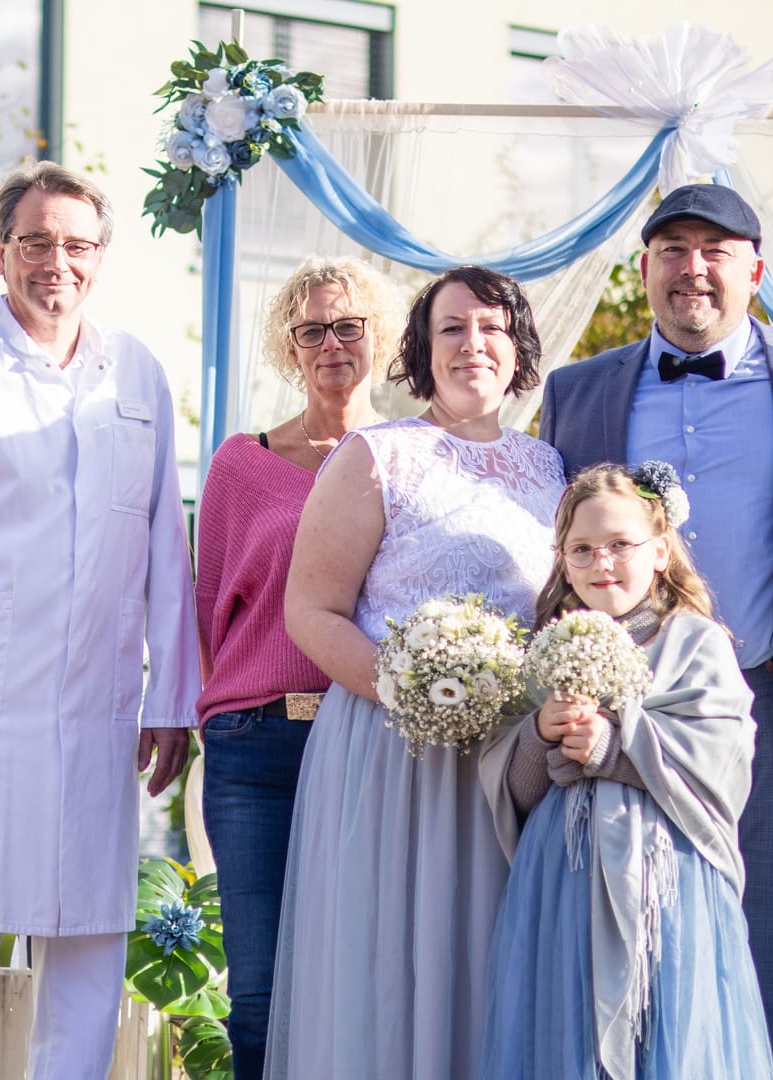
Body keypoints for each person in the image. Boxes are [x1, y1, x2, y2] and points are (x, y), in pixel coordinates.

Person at [0, 162, 198, 1076]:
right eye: (37, 241)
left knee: (91, 946)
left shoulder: (136, 370)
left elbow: (162, 550)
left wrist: (172, 696)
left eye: (78, 244)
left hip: (98, 712)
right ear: (0, 252)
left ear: (101, 256)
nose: (58, 260)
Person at [538, 183, 773, 1079]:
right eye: (673, 249)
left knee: (770, 969)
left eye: (716, 250)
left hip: (769, 709)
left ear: (755, 269)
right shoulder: (576, 392)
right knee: (623, 963)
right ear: (644, 269)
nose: (694, 268)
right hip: (610, 720)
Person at [267, 265, 567, 1079]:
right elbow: (312, 612)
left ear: (519, 349)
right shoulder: (377, 456)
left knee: (490, 962)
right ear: (422, 351)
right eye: (453, 329)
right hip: (392, 754)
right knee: (393, 973)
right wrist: (414, 692)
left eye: (494, 328)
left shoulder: (551, 470)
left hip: (512, 762)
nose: (475, 344)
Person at [478, 462, 772, 1079]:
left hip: (666, 878)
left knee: (663, 1032)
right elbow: (520, 792)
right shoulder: (546, 647)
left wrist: (612, 748)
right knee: (567, 1034)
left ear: (661, 550)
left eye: (620, 545)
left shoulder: (695, 641)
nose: (601, 562)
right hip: (562, 877)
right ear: (561, 560)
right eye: (581, 550)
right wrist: (539, 735)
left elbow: (721, 764)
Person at [193, 255, 397, 1080]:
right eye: (312, 330)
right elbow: (212, 611)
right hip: (257, 748)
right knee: (260, 994)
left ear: (378, 337)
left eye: (349, 326)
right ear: (289, 348)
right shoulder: (240, 465)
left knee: (369, 979)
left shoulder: (406, 457)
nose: (332, 344)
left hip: (368, 738)